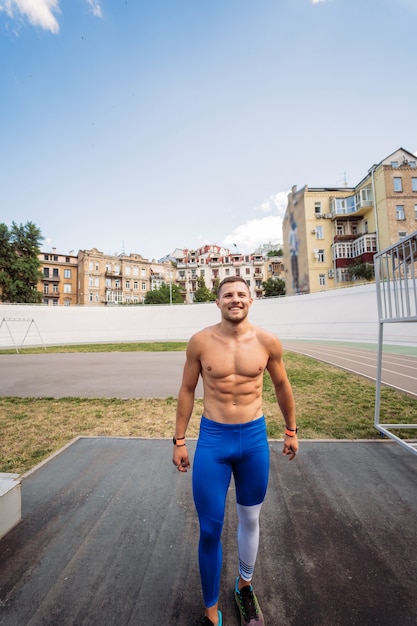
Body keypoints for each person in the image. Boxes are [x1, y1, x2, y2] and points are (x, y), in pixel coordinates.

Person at [172, 276, 298, 626]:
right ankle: (212, 612)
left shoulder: (267, 341)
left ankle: (244, 587)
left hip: (253, 440)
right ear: (218, 301)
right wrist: (179, 440)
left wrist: (291, 431)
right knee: (210, 529)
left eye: (242, 294)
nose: (235, 299)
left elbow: (282, 385)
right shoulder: (200, 342)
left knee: (250, 518)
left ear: (251, 299)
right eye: (228, 294)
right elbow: (186, 389)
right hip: (213, 440)